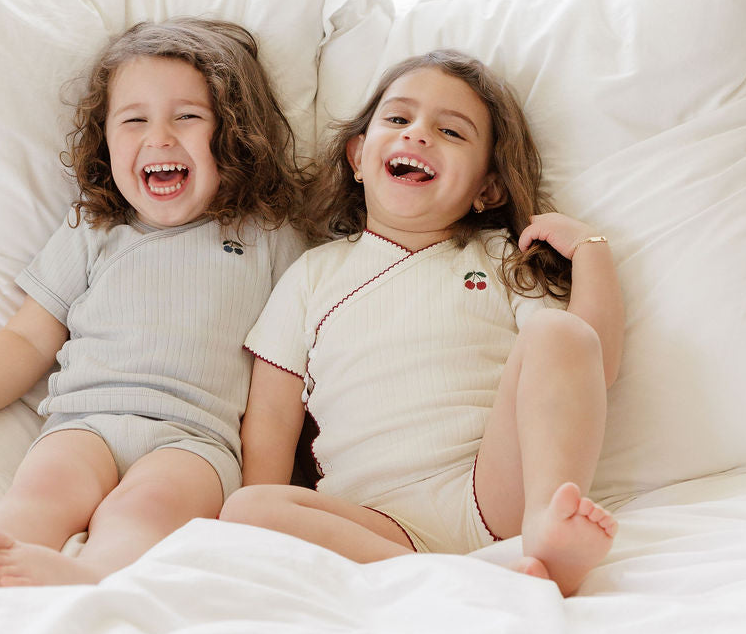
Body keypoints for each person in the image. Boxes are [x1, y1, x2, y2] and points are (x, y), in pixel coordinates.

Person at [0, 18, 306, 588]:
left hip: (193, 441)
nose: (159, 137)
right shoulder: (93, 228)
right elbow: (28, 337)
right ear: (106, 140)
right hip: (84, 422)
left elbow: (279, 385)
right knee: (43, 490)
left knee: (144, 510)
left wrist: (259, 499)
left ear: (233, 133)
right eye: (134, 120)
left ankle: (93, 577)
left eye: (187, 116)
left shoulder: (269, 239)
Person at [220, 49, 624, 596]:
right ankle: (461, 583)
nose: (418, 134)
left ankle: (548, 527)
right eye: (398, 118)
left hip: (491, 494)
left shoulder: (500, 259)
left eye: (451, 131)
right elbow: (270, 416)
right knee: (247, 508)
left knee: (559, 331)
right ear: (358, 156)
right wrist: (258, 532)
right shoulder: (312, 274)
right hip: (372, 522)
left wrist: (591, 251)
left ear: (488, 188)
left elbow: (591, 363)